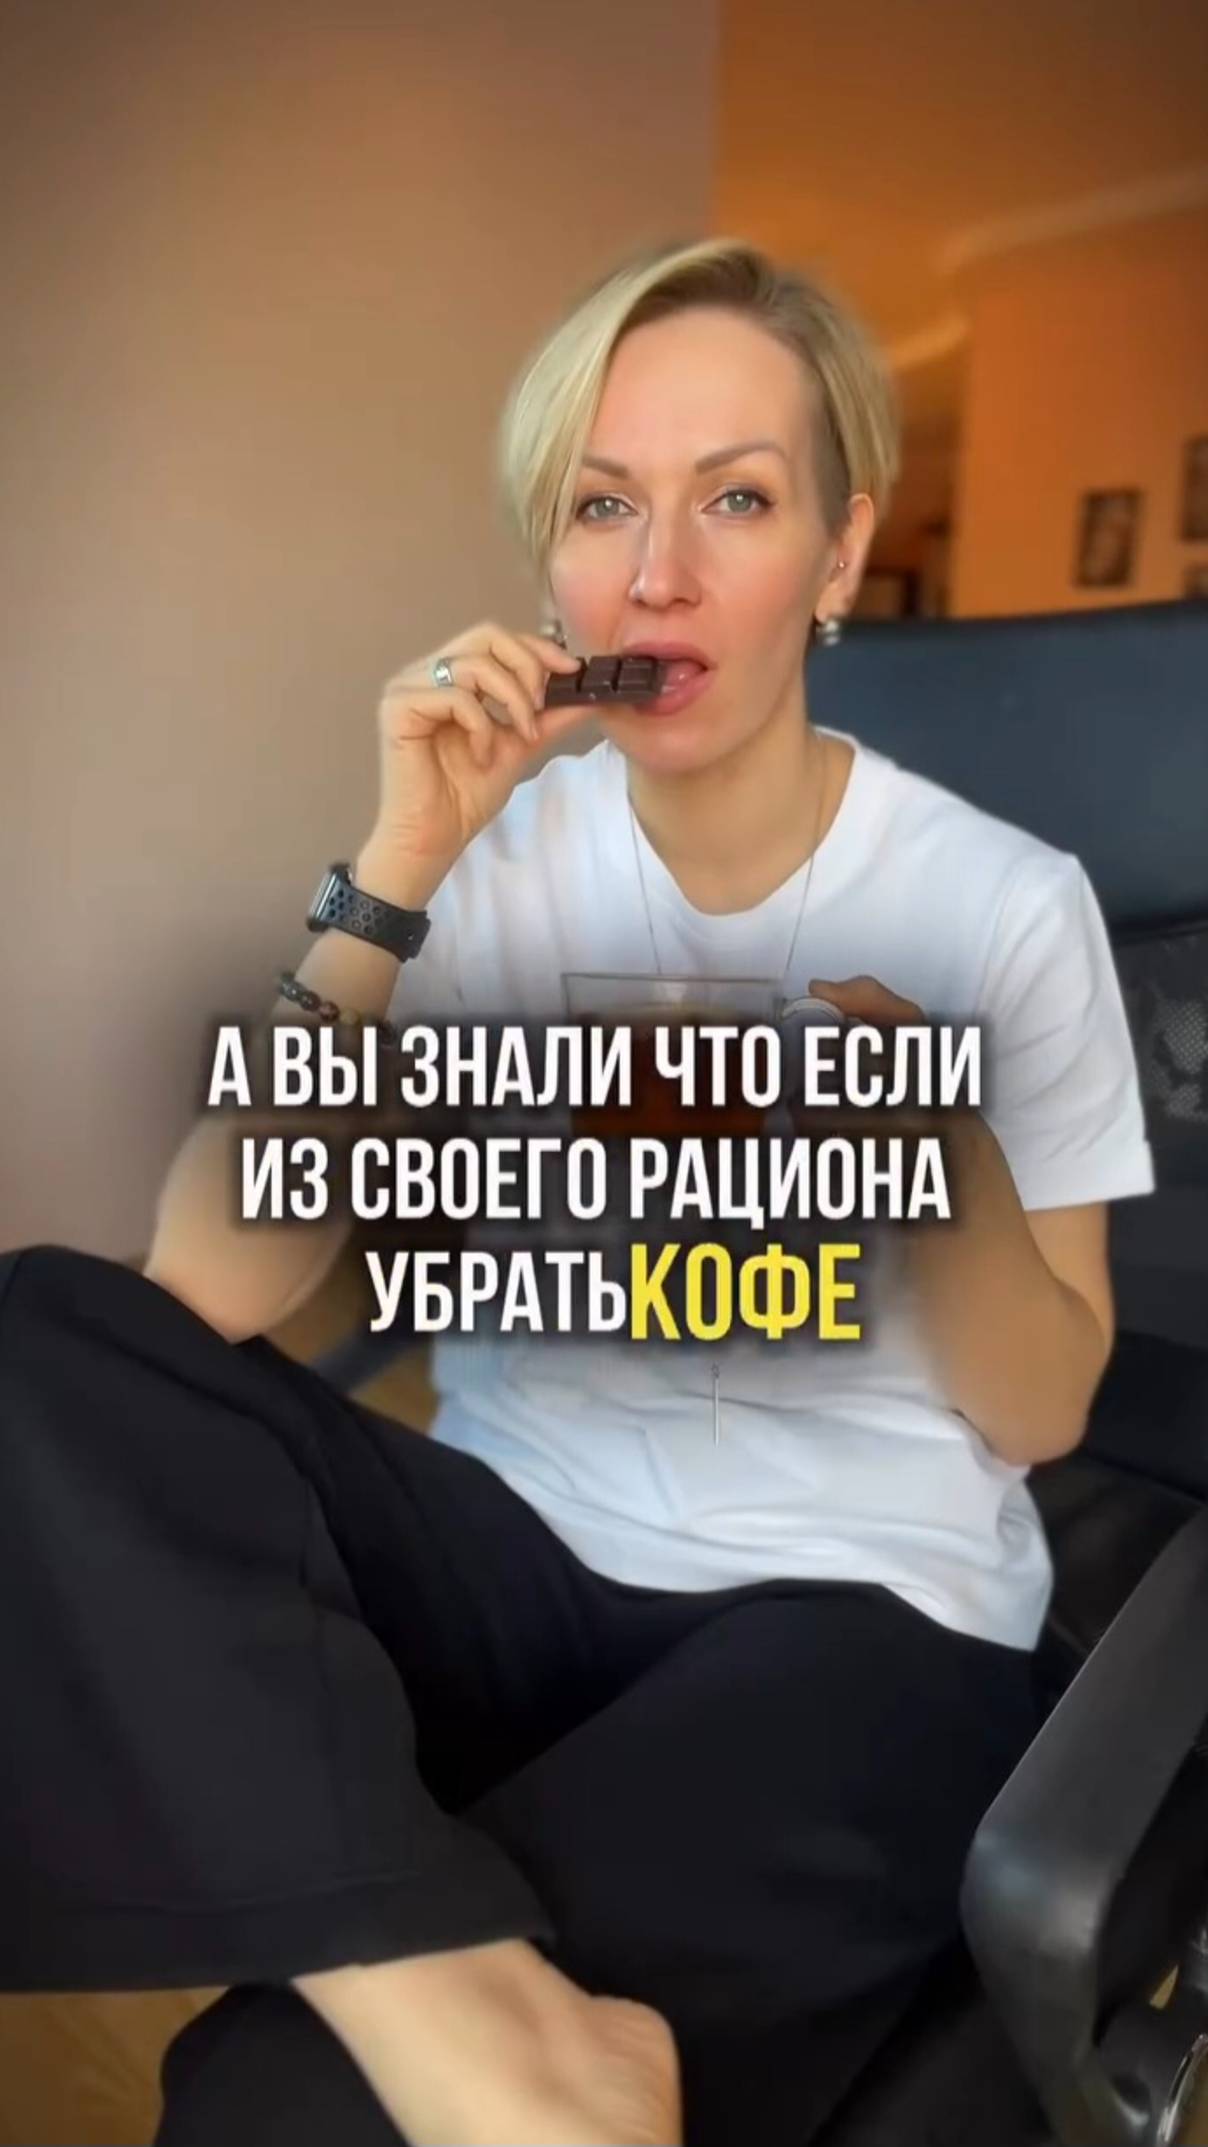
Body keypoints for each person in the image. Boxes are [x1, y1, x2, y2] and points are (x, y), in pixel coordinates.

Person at [0, 237, 1154, 2147]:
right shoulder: (496, 862)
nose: (658, 573)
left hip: (860, 1605)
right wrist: (396, 868)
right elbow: (200, 1286)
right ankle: (457, 2000)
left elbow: (1044, 1409)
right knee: (39, 1331)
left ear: (843, 556)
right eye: (605, 505)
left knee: (279, 2107)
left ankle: (417, 2007)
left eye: (739, 501)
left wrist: (923, 1124)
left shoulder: (1006, 904)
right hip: (519, 1551)